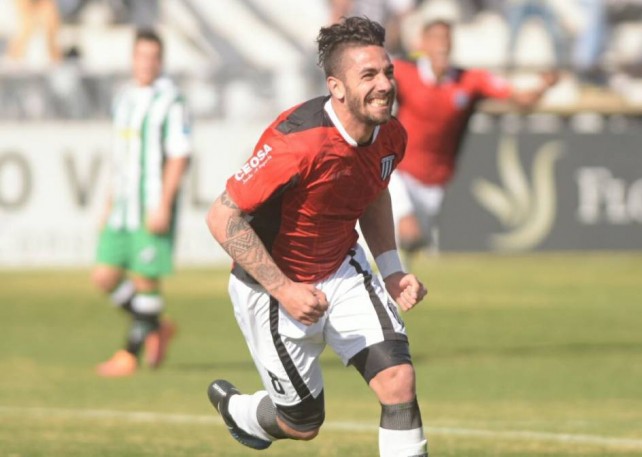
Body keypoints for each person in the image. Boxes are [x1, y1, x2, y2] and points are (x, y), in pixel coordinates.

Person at [205, 16, 429, 457]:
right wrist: (284, 289)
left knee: (398, 380)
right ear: (336, 87)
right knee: (301, 423)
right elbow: (221, 217)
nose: (385, 85)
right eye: (369, 75)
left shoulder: (391, 134)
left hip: (343, 269)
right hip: (272, 286)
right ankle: (241, 410)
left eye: (387, 72)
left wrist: (391, 270)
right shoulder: (296, 142)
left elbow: (374, 190)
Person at [390, 17, 558, 255]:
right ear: (422, 44)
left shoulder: (470, 80)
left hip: (435, 181)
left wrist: (543, 85)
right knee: (406, 227)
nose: (442, 44)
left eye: (446, 38)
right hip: (398, 171)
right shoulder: (403, 72)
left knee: (411, 248)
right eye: (435, 38)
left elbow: (521, 99)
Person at [91, 29, 191, 377]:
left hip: (151, 204)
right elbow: (120, 158)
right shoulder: (124, 99)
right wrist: (108, 203)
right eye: (141, 56)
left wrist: (163, 203)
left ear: (160, 61)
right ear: (133, 59)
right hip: (122, 206)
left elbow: (179, 156)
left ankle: (129, 354)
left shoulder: (171, 101)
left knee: (146, 280)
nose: (146, 63)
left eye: (152, 57)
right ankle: (156, 325)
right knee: (104, 275)